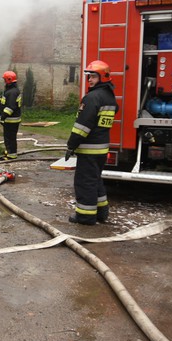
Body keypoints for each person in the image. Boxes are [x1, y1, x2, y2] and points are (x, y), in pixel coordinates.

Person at [65, 60, 117, 225]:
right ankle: (102, 212)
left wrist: (71, 145)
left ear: (102, 77)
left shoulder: (92, 97)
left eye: (93, 76)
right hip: (101, 149)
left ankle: (85, 216)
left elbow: (82, 126)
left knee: (85, 182)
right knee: (95, 180)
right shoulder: (109, 97)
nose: (90, 80)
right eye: (89, 76)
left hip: (89, 149)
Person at [0, 70, 22, 159]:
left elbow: (10, 107)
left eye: (5, 80)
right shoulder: (12, 91)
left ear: (9, 80)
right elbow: (7, 102)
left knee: (10, 138)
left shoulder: (12, 92)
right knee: (9, 138)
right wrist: (0, 100)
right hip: (11, 120)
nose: (4, 81)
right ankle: (9, 152)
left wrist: (2, 116)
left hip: (11, 120)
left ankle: (11, 155)